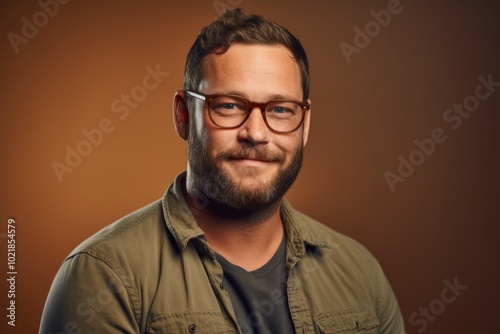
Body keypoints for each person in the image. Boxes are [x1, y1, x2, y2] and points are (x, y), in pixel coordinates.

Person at [40, 9, 405, 334]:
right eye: (229, 105)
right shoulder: (104, 277)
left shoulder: (361, 274)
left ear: (305, 125)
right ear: (184, 116)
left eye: (280, 110)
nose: (256, 134)